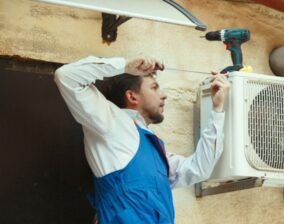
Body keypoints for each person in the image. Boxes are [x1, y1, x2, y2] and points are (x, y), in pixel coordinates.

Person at [54, 55, 230, 224]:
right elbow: (66, 76)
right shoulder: (111, 122)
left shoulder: (155, 148)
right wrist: (124, 65)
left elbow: (199, 169)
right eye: (154, 87)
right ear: (131, 96)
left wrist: (217, 109)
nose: (164, 95)